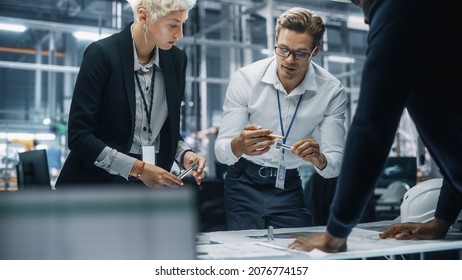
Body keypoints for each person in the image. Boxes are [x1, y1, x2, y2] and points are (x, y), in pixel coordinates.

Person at [289, 0, 462, 253]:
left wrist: (336, 232)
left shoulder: (403, 7)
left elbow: (372, 126)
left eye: (360, 3)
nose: (367, 20)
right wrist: (442, 220)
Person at [214, 7, 347, 230]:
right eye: (282, 49)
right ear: (275, 41)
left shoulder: (331, 91)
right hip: (243, 181)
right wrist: (238, 145)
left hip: (289, 183)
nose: (289, 60)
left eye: (300, 53)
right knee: (245, 254)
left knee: (301, 251)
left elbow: (336, 162)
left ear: (315, 51)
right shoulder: (246, 79)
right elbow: (221, 151)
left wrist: (321, 159)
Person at [55, 0, 206, 189]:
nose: (180, 34)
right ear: (143, 16)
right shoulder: (101, 54)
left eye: (183, 24)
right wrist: (139, 168)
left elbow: (166, 130)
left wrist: (185, 154)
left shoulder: (176, 60)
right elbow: (79, 136)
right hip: (94, 185)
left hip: (146, 185)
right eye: (173, 25)